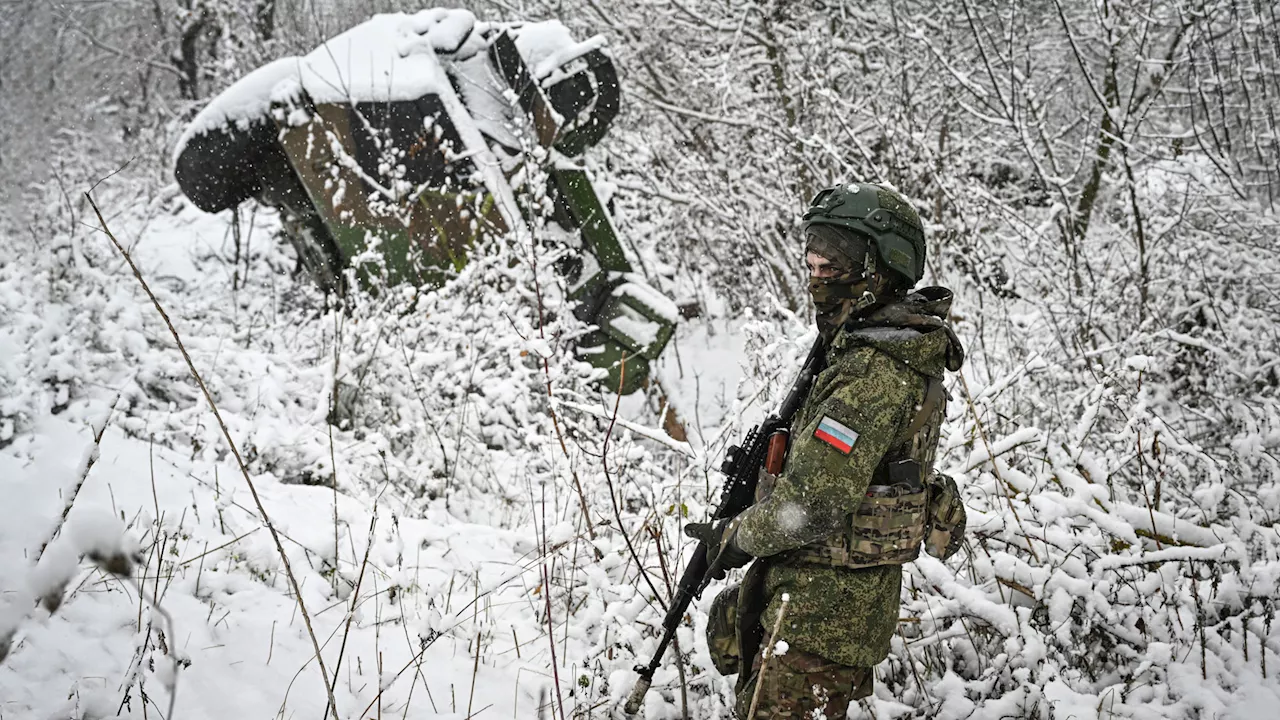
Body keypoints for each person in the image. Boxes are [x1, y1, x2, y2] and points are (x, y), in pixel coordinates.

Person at [688, 182, 968, 718]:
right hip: (814, 609)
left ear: (882, 266)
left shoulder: (873, 372)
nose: (817, 274)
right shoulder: (862, 348)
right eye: (812, 259)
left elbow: (812, 505)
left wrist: (735, 538)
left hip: (819, 620)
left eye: (833, 261)